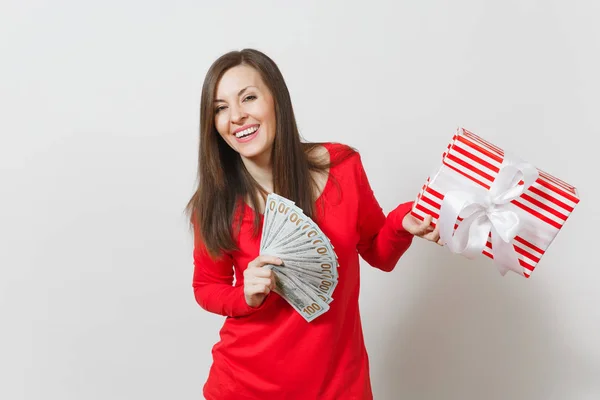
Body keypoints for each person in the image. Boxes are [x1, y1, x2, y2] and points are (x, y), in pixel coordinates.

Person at [186, 48, 441, 400]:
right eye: (221, 108)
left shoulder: (342, 167)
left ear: (276, 98)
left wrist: (402, 223)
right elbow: (206, 286)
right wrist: (245, 295)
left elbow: (379, 252)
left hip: (338, 386)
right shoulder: (214, 202)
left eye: (248, 97)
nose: (237, 116)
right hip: (244, 386)